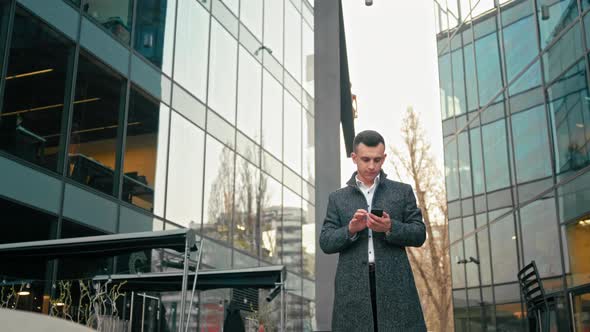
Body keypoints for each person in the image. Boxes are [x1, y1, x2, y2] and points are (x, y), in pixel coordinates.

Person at [319, 130, 427, 332]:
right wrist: (350, 229)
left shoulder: (402, 191)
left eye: (377, 160)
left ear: (384, 158)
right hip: (352, 287)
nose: (372, 166)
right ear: (354, 158)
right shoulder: (337, 198)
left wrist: (390, 227)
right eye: (365, 159)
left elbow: (419, 233)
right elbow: (325, 241)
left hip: (395, 285)